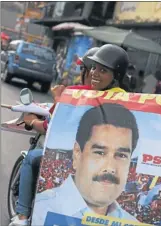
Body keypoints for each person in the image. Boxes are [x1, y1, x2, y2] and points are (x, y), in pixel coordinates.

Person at [9, 47, 99, 226]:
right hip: (92, 159)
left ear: (87, 71)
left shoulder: (74, 92)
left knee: (31, 159)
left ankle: (22, 216)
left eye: (84, 69)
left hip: (68, 153)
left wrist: (32, 122)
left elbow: (51, 125)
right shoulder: (120, 96)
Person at [32, 103, 139, 224]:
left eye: (121, 155)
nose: (110, 168)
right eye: (99, 153)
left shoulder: (132, 222)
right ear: (77, 153)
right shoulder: (41, 210)